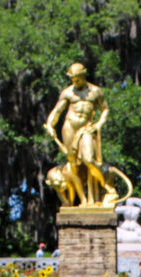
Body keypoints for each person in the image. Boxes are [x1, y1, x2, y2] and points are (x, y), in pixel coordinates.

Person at [44, 63, 109, 205]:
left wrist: (98, 124)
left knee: (88, 160)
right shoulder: (68, 92)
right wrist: (50, 124)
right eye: (72, 79)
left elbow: (105, 109)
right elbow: (57, 111)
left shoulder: (96, 91)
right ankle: (80, 200)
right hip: (70, 127)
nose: (75, 81)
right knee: (73, 164)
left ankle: (105, 188)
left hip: (86, 128)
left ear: (84, 75)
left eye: (78, 78)